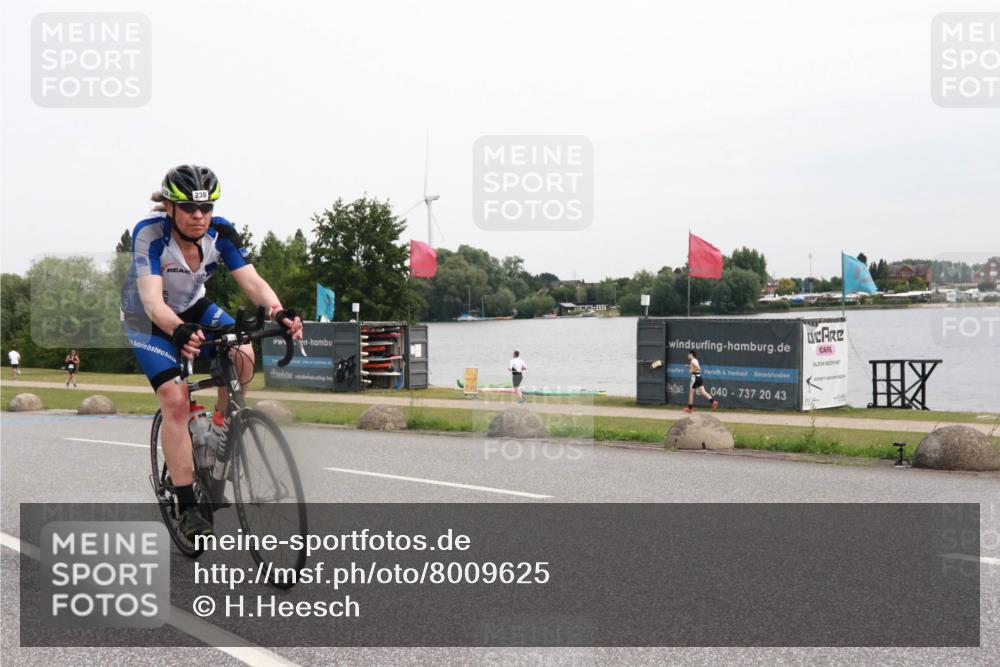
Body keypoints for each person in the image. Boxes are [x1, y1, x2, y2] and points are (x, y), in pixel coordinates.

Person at [121, 164, 303, 541]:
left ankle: (220, 430)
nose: (199, 216)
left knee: (244, 354)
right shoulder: (149, 234)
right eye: (189, 208)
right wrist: (179, 330)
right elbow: (154, 302)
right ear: (170, 207)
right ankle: (187, 506)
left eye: (206, 208)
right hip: (149, 319)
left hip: (194, 307)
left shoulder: (222, 232)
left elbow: (252, 281)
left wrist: (279, 311)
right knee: (175, 398)